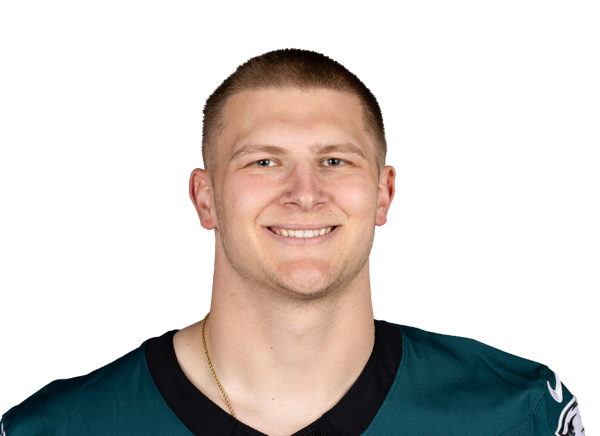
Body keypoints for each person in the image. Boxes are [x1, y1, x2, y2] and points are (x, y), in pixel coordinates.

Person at [1, 48, 584, 436]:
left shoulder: (519, 412)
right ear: (205, 198)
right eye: (264, 161)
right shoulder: (58, 428)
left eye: (335, 160)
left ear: (384, 193)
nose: (304, 194)